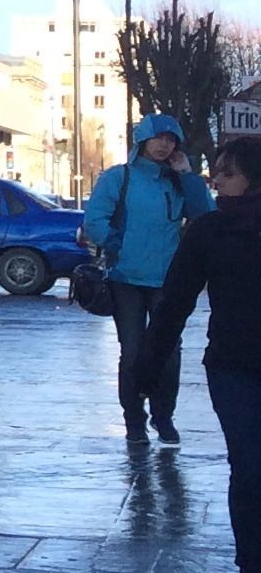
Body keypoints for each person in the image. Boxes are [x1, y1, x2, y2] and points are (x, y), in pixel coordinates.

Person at [143, 134, 261, 573]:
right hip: (234, 367)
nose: (217, 181)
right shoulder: (210, 230)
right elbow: (175, 301)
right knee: (250, 468)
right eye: (215, 172)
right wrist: (148, 363)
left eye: (227, 172)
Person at [82, 114, 213, 445]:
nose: (164, 145)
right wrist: (115, 244)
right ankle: (134, 421)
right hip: (125, 279)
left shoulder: (176, 181)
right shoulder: (118, 178)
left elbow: (205, 214)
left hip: (168, 281)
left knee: (169, 351)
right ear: (142, 140)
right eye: (158, 138)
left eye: (171, 140)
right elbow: (95, 219)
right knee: (133, 351)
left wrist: (187, 174)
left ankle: (164, 416)